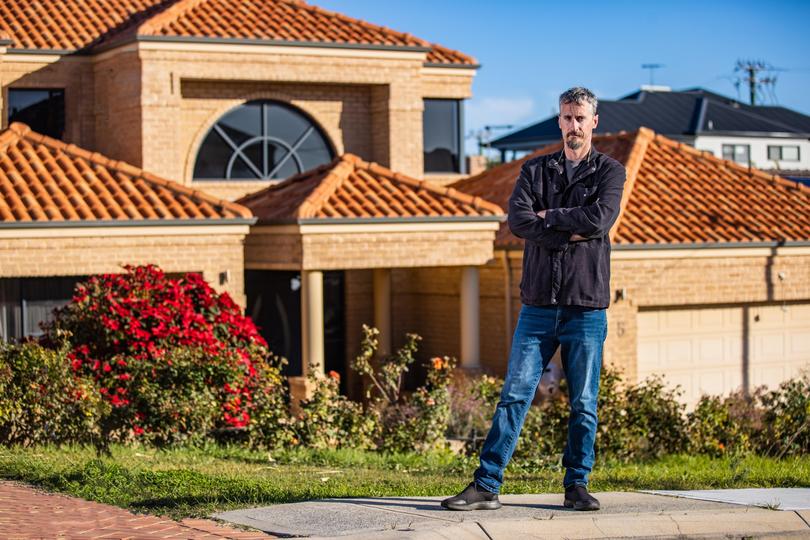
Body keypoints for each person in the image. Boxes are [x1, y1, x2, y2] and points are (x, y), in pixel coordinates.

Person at [441, 87, 626, 512]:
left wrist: (551, 218)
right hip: (538, 304)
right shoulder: (535, 171)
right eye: (566, 118)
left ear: (594, 122)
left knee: (582, 402)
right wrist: (567, 226)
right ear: (559, 121)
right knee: (514, 395)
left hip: (586, 305)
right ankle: (487, 484)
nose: (573, 126)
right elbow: (520, 221)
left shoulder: (610, 172)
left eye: (580, 118)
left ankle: (576, 486)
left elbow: (600, 220)